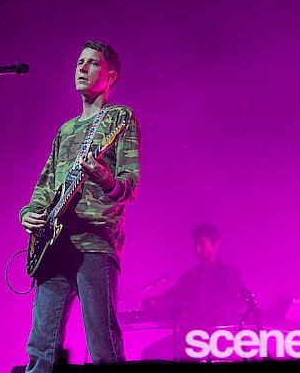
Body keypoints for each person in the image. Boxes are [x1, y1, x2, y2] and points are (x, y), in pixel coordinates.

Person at [19, 40, 140, 373]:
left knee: (103, 347)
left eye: (93, 63)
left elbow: (130, 185)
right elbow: (46, 185)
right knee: (40, 350)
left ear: (110, 76)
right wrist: (28, 213)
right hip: (53, 247)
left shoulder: (120, 117)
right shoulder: (66, 129)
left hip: (95, 245)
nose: (83, 68)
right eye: (79, 62)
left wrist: (106, 179)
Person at [141, 224, 245, 361]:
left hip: (220, 337)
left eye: (202, 244)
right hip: (192, 335)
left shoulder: (229, 274)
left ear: (215, 246)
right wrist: (155, 302)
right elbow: (172, 296)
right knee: (151, 353)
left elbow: (239, 306)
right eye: (196, 244)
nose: (197, 249)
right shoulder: (189, 277)